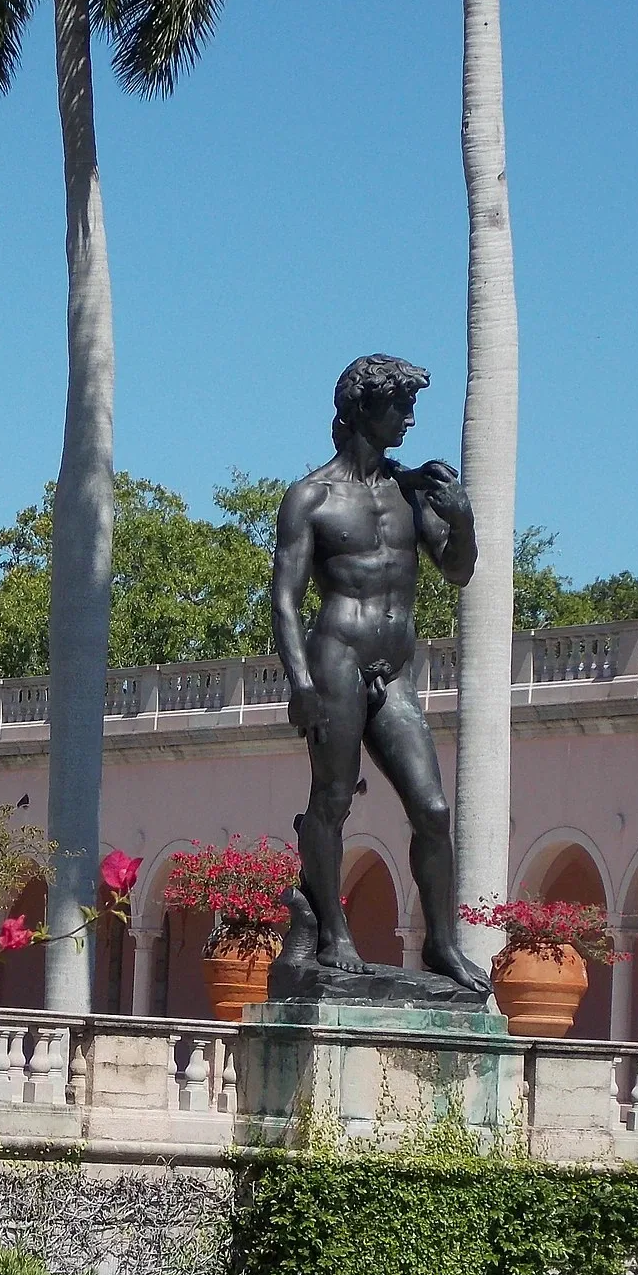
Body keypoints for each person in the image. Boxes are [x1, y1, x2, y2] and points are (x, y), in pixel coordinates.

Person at [271, 354, 489, 994]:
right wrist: (300, 683)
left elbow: (456, 571)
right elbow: (285, 599)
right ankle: (330, 930)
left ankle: (442, 944)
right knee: (333, 799)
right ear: (364, 409)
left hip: (394, 670)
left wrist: (462, 519)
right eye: (400, 407)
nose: (410, 421)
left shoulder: (410, 490)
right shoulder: (311, 497)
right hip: (336, 658)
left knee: (433, 809)